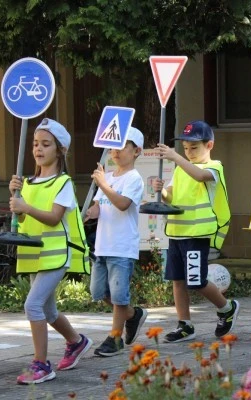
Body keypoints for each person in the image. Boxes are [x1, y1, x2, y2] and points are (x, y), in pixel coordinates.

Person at [9, 118, 92, 384]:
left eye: (46, 144)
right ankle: (76, 342)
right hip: (35, 256)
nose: (38, 149)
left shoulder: (63, 183)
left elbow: (54, 217)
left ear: (60, 150)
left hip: (56, 255)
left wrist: (25, 207)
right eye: (35, 144)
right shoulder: (27, 182)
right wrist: (16, 200)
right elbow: (22, 221)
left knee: (32, 305)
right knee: (47, 311)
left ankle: (41, 365)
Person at [152, 120, 238, 342]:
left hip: (197, 234)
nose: (188, 152)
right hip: (177, 233)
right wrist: (161, 193)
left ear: (209, 145)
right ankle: (184, 325)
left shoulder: (214, 167)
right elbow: (172, 196)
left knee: (196, 280)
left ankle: (226, 308)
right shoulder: (181, 169)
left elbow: (200, 177)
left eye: (194, 147)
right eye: (186, 148)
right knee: (177, 280)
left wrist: (176, 158)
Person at [85, 127, 148, 356]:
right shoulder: (108, 177)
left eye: (122, 147)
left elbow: (122, 204)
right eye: (113, 147)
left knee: (119, 295)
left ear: (136, 151)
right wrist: (91, 211)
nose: (115, 151)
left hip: (122, 246)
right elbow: (99, 206)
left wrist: (103, 185)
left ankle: (115, 337)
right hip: (102, 245)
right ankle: (133, 315)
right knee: (98, 292)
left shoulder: (134, 179)